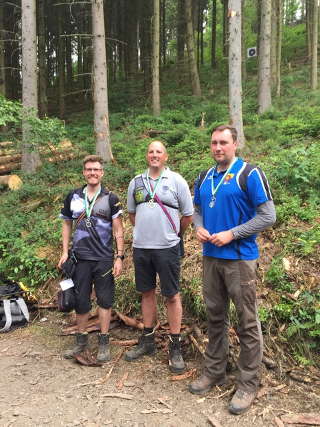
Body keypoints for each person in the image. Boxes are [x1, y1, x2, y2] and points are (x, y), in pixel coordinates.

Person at [189, 125, 276, 415]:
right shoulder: (204, 177)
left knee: (247, 322)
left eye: (223, 142)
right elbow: (197, 209)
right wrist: (199, 227)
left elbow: (268, 215)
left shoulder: (248, 174)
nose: (218, 148)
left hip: (239, 259)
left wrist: (233, 233)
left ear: (235, 144)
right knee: (215, 316)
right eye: (214, 143)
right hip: (211, 257)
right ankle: (215, 370)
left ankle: (248, 383)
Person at [125, 141, 193, 373]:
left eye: (159, 152)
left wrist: (173, 234)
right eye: (151, 151)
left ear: (166, 156)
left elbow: (188, 215)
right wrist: (146, 231)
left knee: (172, 295)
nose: (154, 155)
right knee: (146, 292)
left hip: (168, 247)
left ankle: (175, 346)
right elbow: (132, 214)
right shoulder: (136, 182)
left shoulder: (177, 181)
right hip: (142, 247)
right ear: (147, 156)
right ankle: (148, 340)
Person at [58, 155, 124, 362]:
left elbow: (118, 229)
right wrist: (65, 252)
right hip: (80, 258)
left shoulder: (111, 198)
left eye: (96, 169)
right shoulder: (73, 196)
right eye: (89, 169)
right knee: (81, 300)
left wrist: (119, 256)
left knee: (104, 300)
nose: (92, 173)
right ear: (84, 172)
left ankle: (104, 342)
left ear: (102, 172)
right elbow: (67, 223)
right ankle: (81, 340)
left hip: (104, 258)